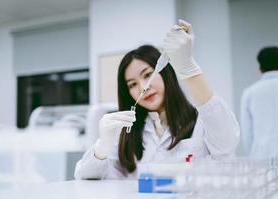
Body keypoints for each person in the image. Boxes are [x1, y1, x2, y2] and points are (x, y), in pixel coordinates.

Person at [75, 20, 240, 179]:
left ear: (165, 73)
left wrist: (188, 68)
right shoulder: (126, 134)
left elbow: (227, 145)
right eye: (132, 84)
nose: (143, 88)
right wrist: (102, 146)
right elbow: (86, 176)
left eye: (147, 75)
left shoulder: (200, 121)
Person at [240, 46, 278, 158]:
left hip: (262, 157)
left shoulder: (250, 93)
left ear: (260, 67)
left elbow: (247, 133)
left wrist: (252, 157)